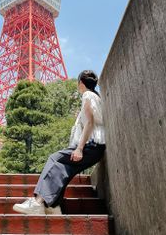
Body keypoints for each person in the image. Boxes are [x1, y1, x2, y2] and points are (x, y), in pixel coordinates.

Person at [13, 70, 106, 215]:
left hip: (92, 145)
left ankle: (37, 203)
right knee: (64, 169)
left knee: (55, 158)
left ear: (80, 82)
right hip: (97, 147)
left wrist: (79, 149)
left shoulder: (87, 95)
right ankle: (53, 206)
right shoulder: (96, 97)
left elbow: (90, 123)